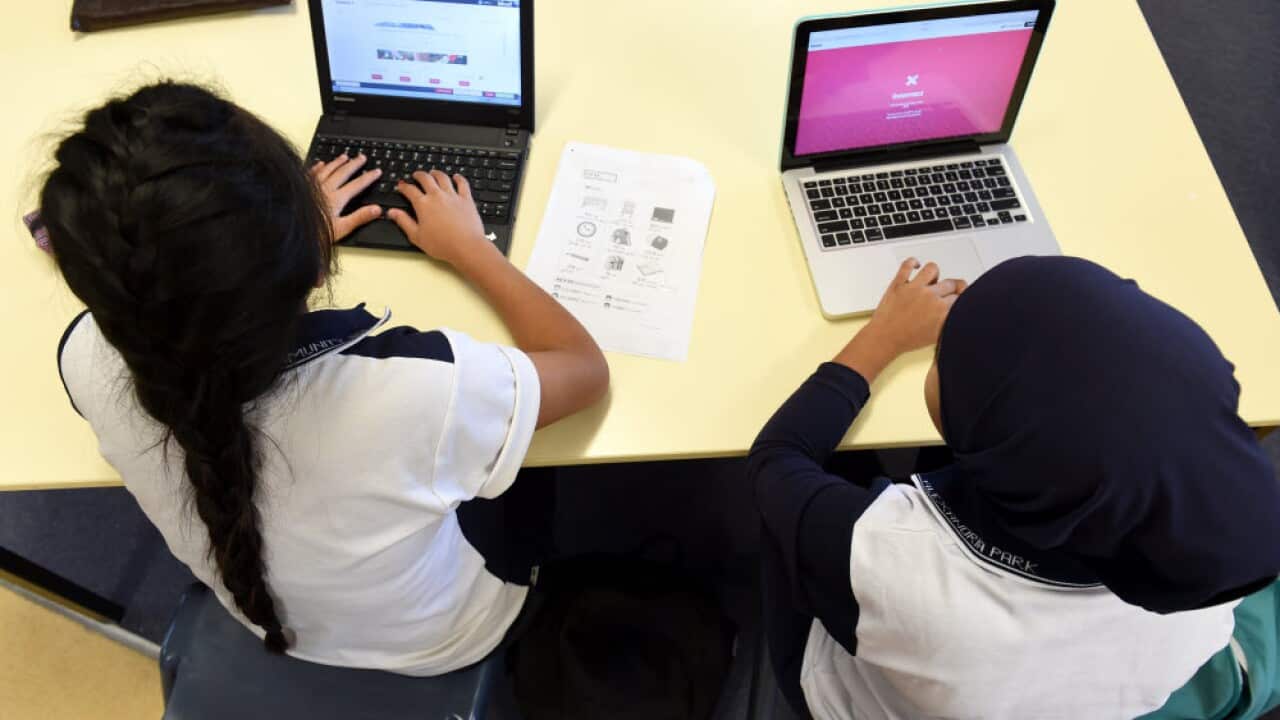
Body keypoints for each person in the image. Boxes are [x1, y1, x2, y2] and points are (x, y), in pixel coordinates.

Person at [43, 82, 609, 674]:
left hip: (268, 615)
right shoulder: (413, 391)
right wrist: (474, 249)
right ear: (316, 266)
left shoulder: (83, 354)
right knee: (537, 459)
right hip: (448, 636)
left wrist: (256, 252)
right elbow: (583, 368)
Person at [750, 255, 1280, 719]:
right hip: (1024, 695)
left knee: (780, 531)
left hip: (855, 693)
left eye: (945, 357)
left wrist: (884, 337)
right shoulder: (1204, 595)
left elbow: (776, 461)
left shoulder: (889, 558)